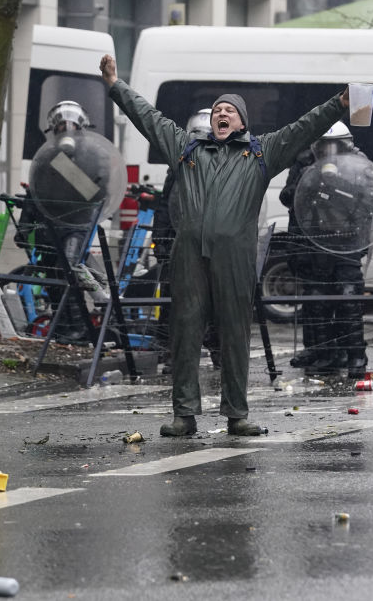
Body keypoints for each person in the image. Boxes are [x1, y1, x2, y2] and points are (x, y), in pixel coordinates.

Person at [101, 53, 348, 436]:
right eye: (218, 109)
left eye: (230, 110)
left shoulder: (262, 152)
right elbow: (148, 118)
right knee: (185, 331)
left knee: (234, 332)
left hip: (234, 259)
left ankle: (237, 414)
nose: (222, 113)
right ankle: (184, 414)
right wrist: (116, 85)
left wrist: (338, 104)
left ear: (242, 121)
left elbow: (305, 127)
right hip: (189, 257)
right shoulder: (186, 148)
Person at [282, 121, 369, 378]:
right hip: (313, 241)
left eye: (335, 146)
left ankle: (355, 355)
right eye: (324, 146)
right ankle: (324, 353)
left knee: (348, 300)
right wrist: (309, 178)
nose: (329, 151)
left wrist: (338, 181)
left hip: (345, 243)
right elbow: (288, 197)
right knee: (316, 301)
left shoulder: (358, 164)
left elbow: (367, 205)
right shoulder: (305, 162)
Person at [16, 100, 99, 343]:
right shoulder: (44, 157)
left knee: (68, 272)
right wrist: (25, 226)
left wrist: (66, 163)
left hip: (75, 225)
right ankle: (62, 326)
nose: (66, 128)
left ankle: (80, 328)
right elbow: (34, 193)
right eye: (61, 124)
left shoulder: (91, 156)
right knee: (52, 277)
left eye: (70, 124)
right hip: (47, 226)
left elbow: (94, 192)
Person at [152, 108, 221, 369]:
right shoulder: (178, 166)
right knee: (174, 300)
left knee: (215, 303)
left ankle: (219, 352)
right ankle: (170, 352)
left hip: (211, 245)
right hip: (178, 243)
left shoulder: (224, 165)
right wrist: (161, 239)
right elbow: (166, 206)